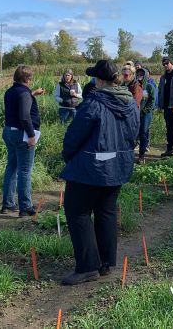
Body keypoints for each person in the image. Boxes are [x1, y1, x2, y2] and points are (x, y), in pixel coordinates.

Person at [60, 60, 139, 285]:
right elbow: (134, 133)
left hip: (90, 167)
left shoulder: (94, 103)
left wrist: (68, 156)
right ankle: (105, 262)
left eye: (95, 77)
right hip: (118, 166)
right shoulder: (130, 103)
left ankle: (87, 267)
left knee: (77, 211)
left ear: (100, 80)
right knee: (106, 211)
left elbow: (74, 136)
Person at [2, 65, 44, 217]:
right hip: (22, 135)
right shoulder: (24, 93)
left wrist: (33, 94)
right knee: (24, 171)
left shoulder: (10, 91)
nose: (31, 81)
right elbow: (25, 116)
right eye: (31, 79)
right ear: (26, 79)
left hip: (9, 132)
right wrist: (31, 135)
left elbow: (21, 101)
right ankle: (25, 207)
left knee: (11, 168)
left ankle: (7, 204)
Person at [135, 67, 156, 164]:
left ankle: (142, 155)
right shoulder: (134, 86)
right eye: (138, 75)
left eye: (141, 75)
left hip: (145, 114)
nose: (139, 77)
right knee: (135, 133)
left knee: (143, 133)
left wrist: (144, 111)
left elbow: (152, 100)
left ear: (145, 76)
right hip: (135, 113)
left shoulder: (149, 87)